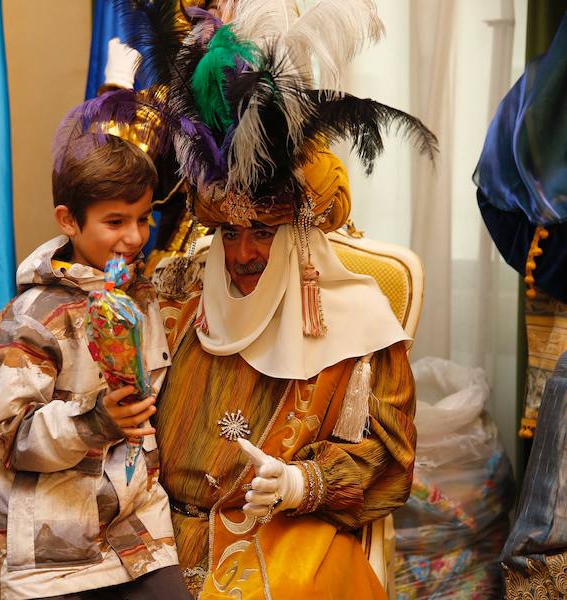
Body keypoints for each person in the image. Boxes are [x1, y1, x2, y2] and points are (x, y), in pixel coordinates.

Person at [113, 1, 438, 597]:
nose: (241, 256)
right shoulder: (175, 291)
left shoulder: (360, 323)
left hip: (281, 541)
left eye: (263, 232)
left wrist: (301, 483)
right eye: (229, 233)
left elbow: (392, 462)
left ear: (298, 236)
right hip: (151, 540)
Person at [0, 100, 190, 600]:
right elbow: (10, 439)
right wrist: (98, 421)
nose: (133, 238)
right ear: (68, 220)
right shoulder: (31, 321)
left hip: (138, 538)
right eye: (114, 222)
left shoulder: (142, 299)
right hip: (49, 555)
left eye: (143, 219)